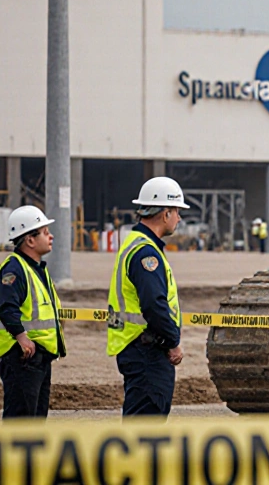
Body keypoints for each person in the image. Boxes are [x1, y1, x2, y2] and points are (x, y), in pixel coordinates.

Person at [107, 177, 187, 417]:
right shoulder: (146, 253)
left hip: (139, 347)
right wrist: (172, 341)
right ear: (165, 214)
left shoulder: (137, 244)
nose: (179, 219)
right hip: (147, 350)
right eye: (177, 212)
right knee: (145, 426)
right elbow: (154, 304)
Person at [0, 206, 67, 418]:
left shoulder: (34, 268)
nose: (50, 236)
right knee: (21, 423)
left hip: (37, 357)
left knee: (33, 424)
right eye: (44, 232)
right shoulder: (14, 269)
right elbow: (6, 306)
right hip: (21, 356)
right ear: (30, 240)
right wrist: (22, 338)